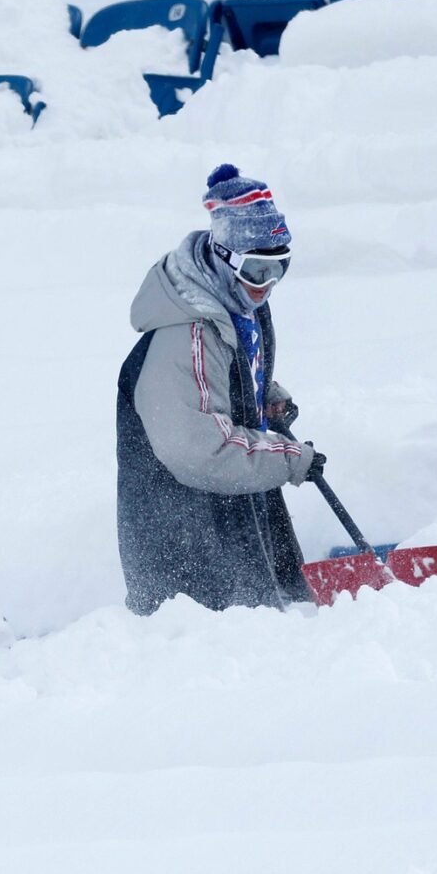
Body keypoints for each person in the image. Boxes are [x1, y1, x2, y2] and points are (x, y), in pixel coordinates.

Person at [116, 164, 324, 614]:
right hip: (187, 552)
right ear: (225, 258)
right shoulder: (184, 334)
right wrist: (289, 460)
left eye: (279, 268)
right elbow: (199, 451)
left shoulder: (234, 301)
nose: (267, 285)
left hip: (232, 521)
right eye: (257, 269)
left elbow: (222, 368)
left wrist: (259, 393)